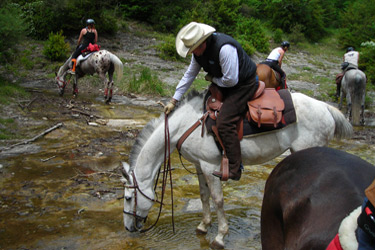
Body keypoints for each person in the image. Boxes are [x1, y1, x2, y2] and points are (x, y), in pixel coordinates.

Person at [164, 22, 259, 181]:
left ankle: (235, 168)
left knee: (224, 121)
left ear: (203, 42)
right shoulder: (198, 54)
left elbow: (231, 80)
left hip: (243, 84)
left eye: (194, 48)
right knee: (205, 108)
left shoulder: (224, 49)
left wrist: (212, 78)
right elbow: (189, 75)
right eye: (190, 50)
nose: (193, 52)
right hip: (225, 81)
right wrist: (174, 100)